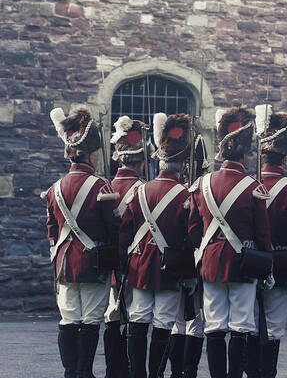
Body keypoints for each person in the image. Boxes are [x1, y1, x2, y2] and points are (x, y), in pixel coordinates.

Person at [188, 106, 271, 378]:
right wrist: (266, 264)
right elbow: (263, 235)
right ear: (245, 153)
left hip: (211, 263)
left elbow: (192, 230)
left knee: (214, 326)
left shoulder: (201, 184)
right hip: (244, 264)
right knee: (241, 325)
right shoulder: (254, 186)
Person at [46, 107, 120, 378]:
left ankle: (70, 373)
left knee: (68, 319)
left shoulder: (54, 188)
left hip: (64, 263)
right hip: (93, 263)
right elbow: (113, 228)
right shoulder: (101, 186)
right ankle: (83, 372)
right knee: (90, 320)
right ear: (91, 153)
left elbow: (52, 230)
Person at [120, 113, 193, 378]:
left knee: (138, 320)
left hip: (140, 265)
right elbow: (192, 235)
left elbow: (125, 231)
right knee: (164, 324)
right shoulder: (187, 195)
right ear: (183, 164)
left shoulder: (139, 191)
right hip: (170, 269)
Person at [246, 105, 287, 378]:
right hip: (282, 268)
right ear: (284, 156)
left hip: (248, 266)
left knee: (248, 325)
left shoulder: (246, 184)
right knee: (272, 328)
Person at [160, 132, 210, 378]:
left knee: (180, 321)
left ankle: (178, 372)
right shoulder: (196, 194)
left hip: (178, 261)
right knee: (195, 321)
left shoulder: (189, 192)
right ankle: (184, 372)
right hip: (193, 262)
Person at [104, 116, 150, 378]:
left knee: (111, 317)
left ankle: (114, 371)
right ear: (141, 160)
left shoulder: (104, 186)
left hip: (108, 264)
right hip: (136, 264)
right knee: (135, 319)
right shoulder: (144, 189)